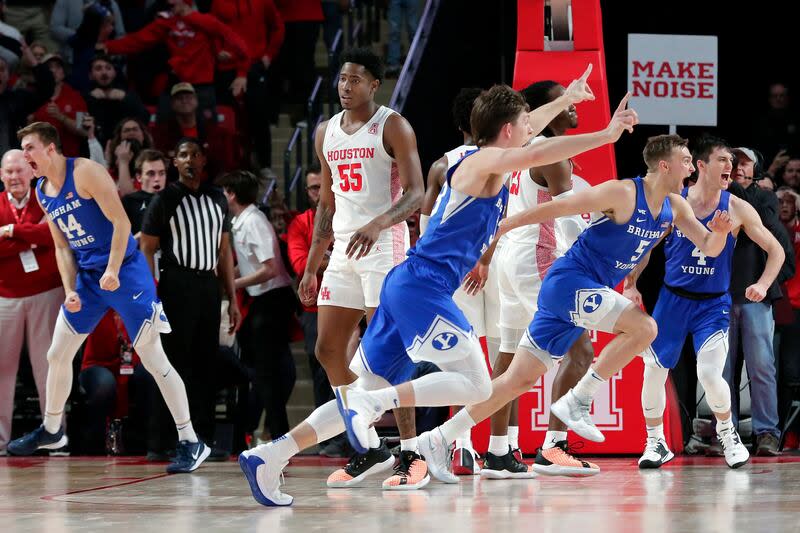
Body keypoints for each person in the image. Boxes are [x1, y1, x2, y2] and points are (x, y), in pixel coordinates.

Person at [236, 76, 636, 506]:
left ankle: (271, 454)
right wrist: (607, 135)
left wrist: (567, 102)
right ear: (508, 132)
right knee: (478, 386)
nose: (531, 129)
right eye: (524, 124)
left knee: (365, 386)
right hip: (423, 288)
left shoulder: (486, 155)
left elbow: (530, 131)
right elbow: (537, 148)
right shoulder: (483, 163)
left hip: (404, 286)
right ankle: (375, 407)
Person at [404, 131, 735, 481]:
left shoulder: (676, 206)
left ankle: (439, 437)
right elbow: (560, 206)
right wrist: (504, 225)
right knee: (645, 328)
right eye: (685, 161)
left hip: (579, 291)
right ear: (665, 165)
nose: (690, 168)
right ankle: (579, 399)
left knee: (515, 380)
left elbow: (709, 247)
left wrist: (720, 232)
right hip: (570, 281)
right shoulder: (623, 192)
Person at [7, 122, 209, 473]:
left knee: (153, 357)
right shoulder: (42, 190)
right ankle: (53, 430)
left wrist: (113, 269)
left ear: (51, 148)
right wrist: (70, 290)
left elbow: (121, 223)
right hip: (88, 277)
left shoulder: (85, 172)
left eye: (29, 148)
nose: (25, 156)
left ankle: (191, 440)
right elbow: (60, 246)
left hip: (125, 269)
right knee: (57, 354)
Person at [296, 47, 426, 491]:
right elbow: (327, 201)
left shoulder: (393, 125)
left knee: (389, 353)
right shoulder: (325, 132)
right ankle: (368, 444)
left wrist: (379, 222)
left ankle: (411, 451)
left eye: (355, 80)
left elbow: (416, 193)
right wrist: (314, 263)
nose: (345, 87)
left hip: (385, 243)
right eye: (341, 79)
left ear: (374, 84)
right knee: (329, 350)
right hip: (345, 251)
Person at [625, 136, 785, 469]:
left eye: (732, 161)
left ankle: (728, 435)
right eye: (723, 160)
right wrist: (631, 283)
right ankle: (655, 443)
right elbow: (647, 245)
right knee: (653, 370)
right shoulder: (675, 201)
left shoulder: (737, 207)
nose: (731, 167)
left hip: (712, 305)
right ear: (701, 165)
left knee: (711, 375)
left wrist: (763, 283)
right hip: (673, 300)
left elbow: (777, 250)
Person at [495, 80, 598, 478]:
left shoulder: (519, 149)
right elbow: (570, 219)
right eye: (564, 101)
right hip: (538, 258)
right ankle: (553, 448)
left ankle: (498, 451)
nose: (574, 107)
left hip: (510, 260)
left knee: (506, 360)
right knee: (582, 353)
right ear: (544, 110)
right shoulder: (554, 155)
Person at [140, 137, 240, 457]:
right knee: (173, 364)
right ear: (175, 162)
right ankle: (165, 442)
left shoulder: (217, 198)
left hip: (208, 287)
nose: (189, 160)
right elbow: (146, 249)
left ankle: (205, 440)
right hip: (176, 284)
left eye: (195, 154)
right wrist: (148, 298)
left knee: (205, 366)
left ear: (203, 160)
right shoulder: (165, 199)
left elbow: (224, 252)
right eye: (183, 155)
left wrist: (232, 298)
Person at [218, 170, 296, 440]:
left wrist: (234, 285)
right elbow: (249, 261)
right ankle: (258, 430)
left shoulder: (253, 221)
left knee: (267, 373)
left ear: (231, 193)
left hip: (272, 301)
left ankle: (272, 433)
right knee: (266, 372)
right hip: (261, 300)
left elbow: (271, 268)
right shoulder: (242, 221)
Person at [0, 149, 62, 455]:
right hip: (5, 297)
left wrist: (11, 231)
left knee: (49, 366)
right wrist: (32, 240)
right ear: (1, 176)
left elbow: (54, 234)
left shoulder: (45, 197)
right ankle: (0, 441)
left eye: (20, 171)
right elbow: (40, 238)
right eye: (9, 172)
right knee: (2, 370)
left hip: (47, 292)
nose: (15, 177)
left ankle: (55, 436)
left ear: (31, 172)